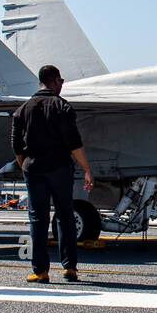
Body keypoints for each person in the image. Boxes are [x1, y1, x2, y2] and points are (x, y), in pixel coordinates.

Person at [11, 64, 94, 283]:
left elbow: (16, 146)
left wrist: (26, 166)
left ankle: (40, 271)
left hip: (34, 169)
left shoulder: (23, 109)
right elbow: (74, 142)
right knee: (65, 216)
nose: (62, 86)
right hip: (59, 169)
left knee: (37, 219)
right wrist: (86, 169)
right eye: (61, 82)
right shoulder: (62, 107)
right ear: (55, 80)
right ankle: (70, 269)